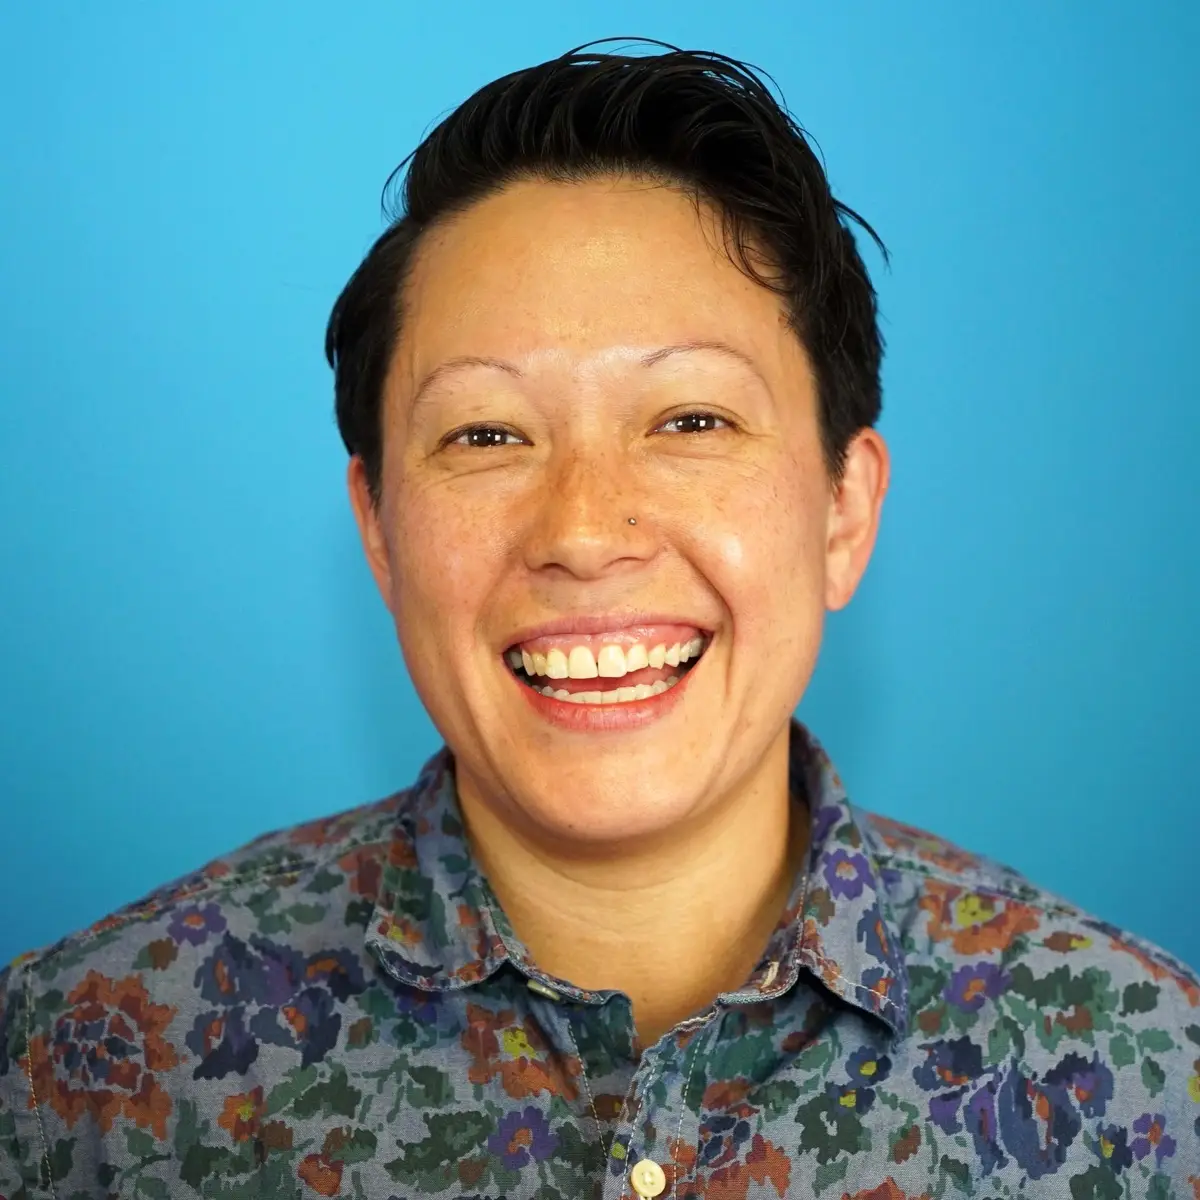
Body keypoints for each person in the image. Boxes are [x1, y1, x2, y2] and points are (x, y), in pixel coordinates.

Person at [1, 43, 1197, 1200]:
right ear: (378, 529)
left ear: (844, 510)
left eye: (691, 422)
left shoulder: (1141, 1074)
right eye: (486, 434)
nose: (582, 530)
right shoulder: (87, 1065)